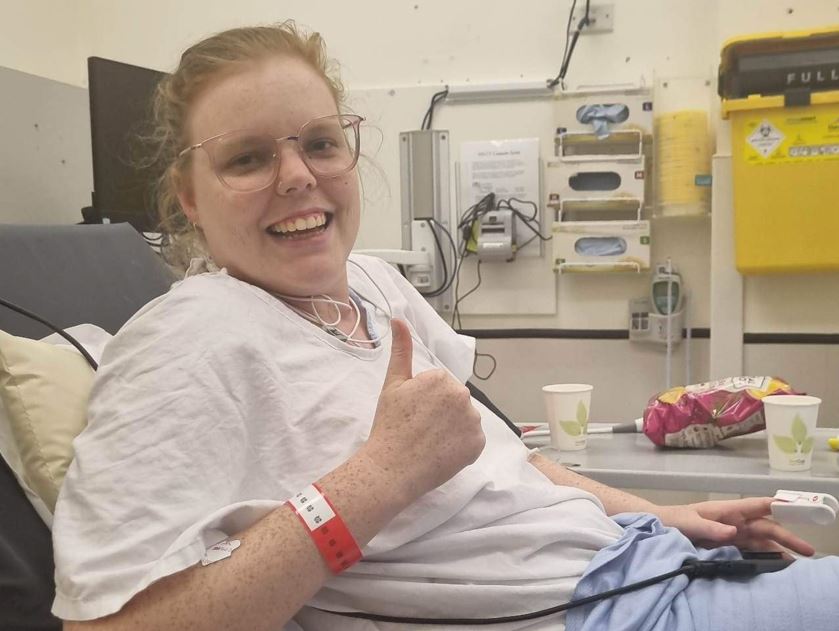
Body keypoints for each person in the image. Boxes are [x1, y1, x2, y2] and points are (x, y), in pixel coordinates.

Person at [52, 21, 838, 631]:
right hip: (603, 610)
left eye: (320, 143)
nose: (298, 176)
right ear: (188, 197)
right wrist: (377, 478)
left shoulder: (372, 283)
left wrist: (653, 512)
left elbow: (504, 461)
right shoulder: (182, 341)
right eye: (248, 158)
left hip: (639, 563)